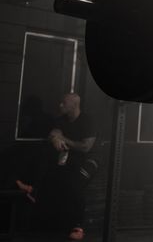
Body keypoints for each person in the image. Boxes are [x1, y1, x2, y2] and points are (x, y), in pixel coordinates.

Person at [15, 93, 97, 241]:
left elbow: (86, 146)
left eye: (64, 103)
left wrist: (63, 139)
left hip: (88, 160)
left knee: (75, 183)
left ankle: (78, 227)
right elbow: (54, 133)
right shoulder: (60, 120)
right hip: (69, 158)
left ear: (74, 105)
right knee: (49, 163)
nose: (60, 105)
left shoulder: (87, 120)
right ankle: (34, 189)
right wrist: (55, 140)